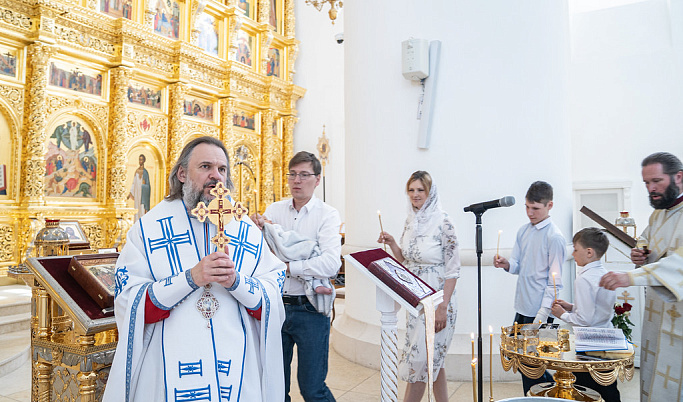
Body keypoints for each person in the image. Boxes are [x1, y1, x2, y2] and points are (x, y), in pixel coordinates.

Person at [103, 136, 286, 402]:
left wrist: (237, 282)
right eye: (205, 167)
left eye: (222, 169)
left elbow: (272, 294)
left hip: (236, 364)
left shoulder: (243, 227)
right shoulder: (149, 228)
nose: (216, 176)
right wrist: (190, 278)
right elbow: (130, 300)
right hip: (167, 364)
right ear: (181, 173)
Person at [251, 151, 341, 402]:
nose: (296, 180)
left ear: (317, 180)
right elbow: (261, 254)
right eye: (292, 174)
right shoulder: (274, 210)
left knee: (313, 389)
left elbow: (331, 263)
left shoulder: (327, 214)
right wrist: (254, 229)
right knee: (276, 388)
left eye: (304, 175)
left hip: (310, 309)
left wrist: (288, 267)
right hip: (276, 306)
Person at [600, 151, 683, 402]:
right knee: (654, 375)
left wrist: (630, 277)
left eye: (657, 181)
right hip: (657, 313)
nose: (651, 189)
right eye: (647, 183)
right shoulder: (658, 214)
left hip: (679, 316)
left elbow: (679, 262)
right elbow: (646, 239)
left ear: (678, 176)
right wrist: (640, 253)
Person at [377, 171, 460, 402]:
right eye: (411, 190)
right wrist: (393, 242)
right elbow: (406, 260)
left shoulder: (444, 223)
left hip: (438, 300)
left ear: (430, 192)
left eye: (420, 190)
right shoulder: (410, 221)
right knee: (433, 361)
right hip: (416, 301)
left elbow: (453, 270)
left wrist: (442, 307)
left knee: (420, 363)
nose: (415, 195)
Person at [493, 180, 566, 395]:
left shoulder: (555, 237)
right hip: (522, 307)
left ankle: (551, 396)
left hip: (540, 311)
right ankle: (535, 398)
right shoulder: (523, 231)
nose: (530, 213)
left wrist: (541, 316)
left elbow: (555, 282)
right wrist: (506, 264)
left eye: (535, 208)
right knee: (526, 365)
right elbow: (518, 266)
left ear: (549, 206)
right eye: (527, 207)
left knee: (536, 365)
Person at [551, 227, 620, 402]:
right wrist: (571, 307)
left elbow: (586, 320)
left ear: (589, 252)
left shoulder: (583, 279)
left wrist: (562, 315)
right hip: (608, 339)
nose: (573, 254)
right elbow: (596, 309)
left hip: (590, 344)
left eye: (575, 249)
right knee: (609, 388)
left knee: (584, 390)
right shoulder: (605, 274)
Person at [128, 154, 151, 221]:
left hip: (143, 195)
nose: (140, 161)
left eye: (141, 160)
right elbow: (133, 183)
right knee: (137, 210)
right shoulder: (136, 171)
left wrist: (144, 186)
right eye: (139, 159)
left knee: (142, 209)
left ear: (144, 161)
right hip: (137, 194)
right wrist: (131, 192)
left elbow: (148, 186)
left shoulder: (145, 172)